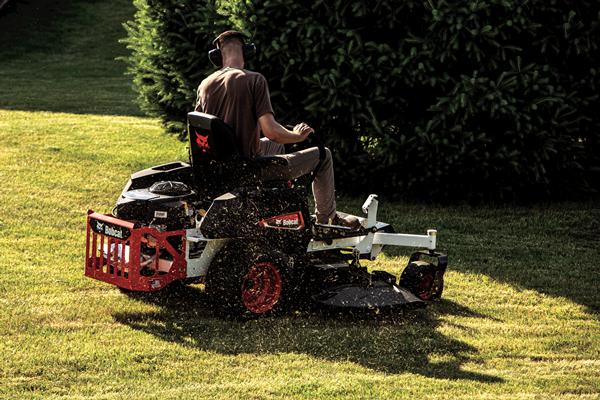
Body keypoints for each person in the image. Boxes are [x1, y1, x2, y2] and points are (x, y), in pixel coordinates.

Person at [195, 30, 359, 229]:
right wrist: (296, 135)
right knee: (324, 156)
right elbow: (271, 131)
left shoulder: (204, 85)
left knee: (275, 146)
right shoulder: (254, 80)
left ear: (217, 56)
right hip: (249, 169)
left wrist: (286, 138)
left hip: (222, 168)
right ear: (247, 52)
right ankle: (327, 220)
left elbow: (202, 133)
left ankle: (280, 210)